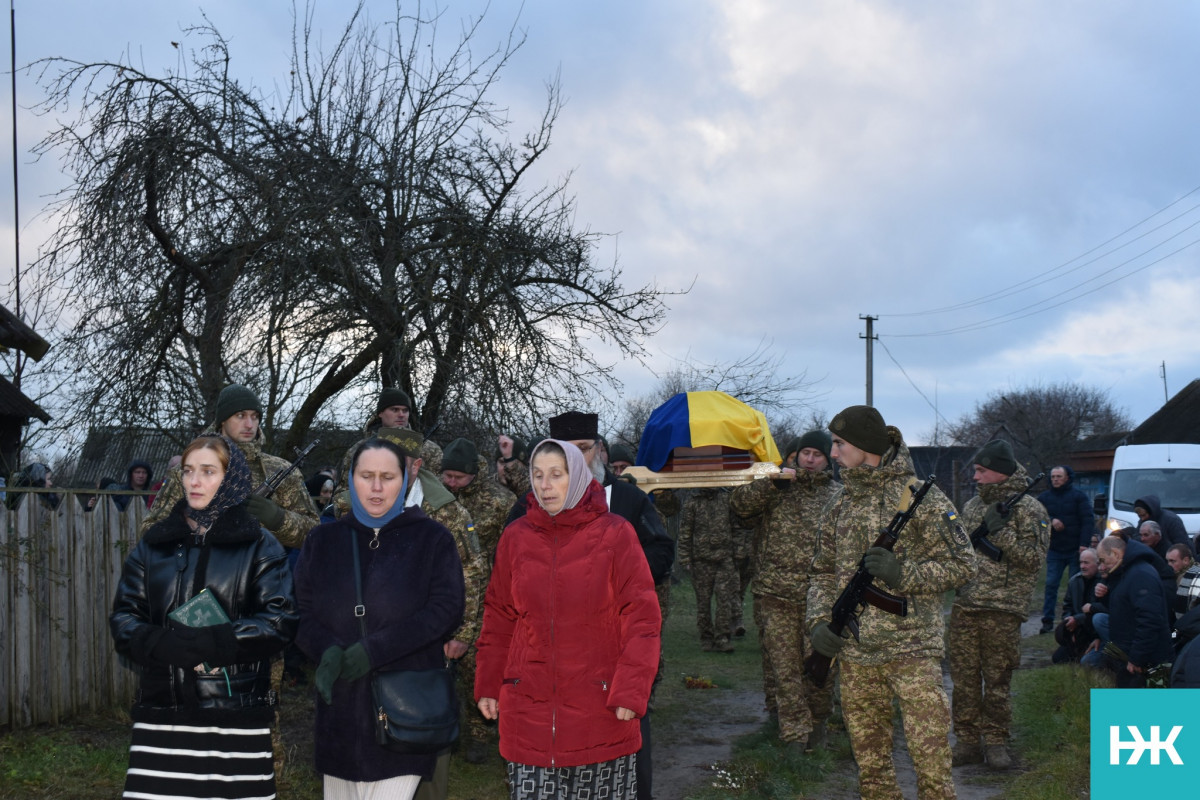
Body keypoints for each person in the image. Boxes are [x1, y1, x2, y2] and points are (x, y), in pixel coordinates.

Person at [110, 434, 298, 800]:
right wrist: (160, 643)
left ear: (231, 478)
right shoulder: (155, 544)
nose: (194, 481)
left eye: (208, 471)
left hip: (235, 718)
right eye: (188, 471)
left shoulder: (260, 544)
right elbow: (124, 617)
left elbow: (280, 620)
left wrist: (216, 641)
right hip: (163, 716)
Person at [475, 439, 661, 800]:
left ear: (576, 476)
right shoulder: (516, 537)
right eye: (538, 475)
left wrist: (632, 689)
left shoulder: (615, 534)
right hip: (528, 713)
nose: (545, 486)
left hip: (603, 710)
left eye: (556, 475)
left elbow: (642, 618)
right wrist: (488, 683)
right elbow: (499, 615)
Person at [807, 405, 975, 800]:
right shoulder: (838, 504)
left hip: (913, 651)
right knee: (872, 769)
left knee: (931, 762)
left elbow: (964, 565)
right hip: (856, 655)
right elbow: (820, 572)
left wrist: (904, 575)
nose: (832, 454)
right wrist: (817, 622)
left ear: (865, 446)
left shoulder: (922, 500)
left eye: (839, 444)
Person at [295, 436, 465, 800]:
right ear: (350, 479)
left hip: (404, 706)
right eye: (365, 475)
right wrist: (326, 651)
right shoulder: (322, 540)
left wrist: (373, 651)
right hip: (339, 710)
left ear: (405, 480)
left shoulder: (432, 539)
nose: (375, 487)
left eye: (387, 477)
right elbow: (300, 612)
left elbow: (445, 610)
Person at [730, 428, 839, 753]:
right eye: (804, 453)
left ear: (827, 460)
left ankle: (818, 722)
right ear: (794, 456)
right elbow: (740, 508)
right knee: (784, 668)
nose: (809, 459)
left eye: (817, 454)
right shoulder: (775, 488)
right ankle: (793, 735)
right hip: (774, 594)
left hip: (819, 600)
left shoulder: (837, 496)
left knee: (819, 671)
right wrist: (769, 483)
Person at [948, 440, 1049, 770]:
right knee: (963, 680)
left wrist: (1001, 533)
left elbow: (1033, 560)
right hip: (967, 606)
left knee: (997, 682)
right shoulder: (974, 506)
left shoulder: (1031, 510)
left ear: (1000, 472)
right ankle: (966, 741)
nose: (975, 477)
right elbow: (963, 549)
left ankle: (995, 742)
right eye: (975, 470)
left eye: (981, 470)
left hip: (1003, 609)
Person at [142, 384, 319, 548]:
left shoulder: (280, 470)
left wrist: (278, 519)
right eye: (240, 416)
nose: (250, 424)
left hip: (264, 576)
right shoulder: (187, 471)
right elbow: (150, 530)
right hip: (202, 574)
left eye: (255, 416)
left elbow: (314, 534)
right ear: (223, 421)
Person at [438, 436, 515, 764]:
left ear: (474, 474)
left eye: (458, 477)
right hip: (442, 591)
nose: (452, 482)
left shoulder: (501, 501)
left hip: (486, 594)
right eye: (447, 476)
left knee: (476, 666)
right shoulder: (436, 498)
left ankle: (481, 732)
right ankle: (441, 729)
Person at [1091, 535, 1173, 687]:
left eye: (1102, 560)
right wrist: (1105, 597)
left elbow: (1150, 620)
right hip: (1132, 655)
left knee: (1157, 708)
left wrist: (1137, 658)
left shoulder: (1140, 574)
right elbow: (1124, 610)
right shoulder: (1126, 572)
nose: (1101, 567)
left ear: (1115, 553)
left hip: (1149, 660)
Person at [678, 488, 740, 653]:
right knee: (703, 602)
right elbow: (685, 531)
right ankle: (706, 638)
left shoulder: (727, 498)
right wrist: (685, 558)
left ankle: (722, 637)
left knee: (724, 599)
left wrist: (738, 553)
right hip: (701, 560)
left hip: (724, 558)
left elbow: (735, 527)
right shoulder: (693, 502)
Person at [1036, 465, 1094, 634]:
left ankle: (1075, 619)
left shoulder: (1079, 497)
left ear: (1067, 477)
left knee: (1076, 586)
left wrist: (1084, 544)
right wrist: (1051, 520)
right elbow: (1036, 519)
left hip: (1075, 549)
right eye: (1053, 476)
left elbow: (1087, 520)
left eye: (1059, 476)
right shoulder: (1044, 498)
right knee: (1051, 584)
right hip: (1055, 549)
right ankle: (1047, 621)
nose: (1055, 479)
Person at [1052, 548, 1103, 664]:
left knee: (1088, 662)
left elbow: (1102, 610)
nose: (1082, 566)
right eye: (1080, 562)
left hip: (1097, 632)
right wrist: (1069, 624)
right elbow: (1067, 606)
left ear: (1097, 563)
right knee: (1059, 659)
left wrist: (1077, 619)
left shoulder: (1104, 582)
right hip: (1079, 632)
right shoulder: (1074, 581)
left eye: (1086, 563)